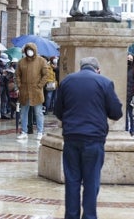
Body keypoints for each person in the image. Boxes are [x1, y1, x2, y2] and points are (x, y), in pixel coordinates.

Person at [54, 57, 122, 219]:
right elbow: (116, 113)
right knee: (91, 181)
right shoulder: (105, 83)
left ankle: (71, 216)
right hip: (94, 139)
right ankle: (90, 216)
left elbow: (57, 111)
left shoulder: (67, 82)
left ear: (81, 67)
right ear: (97, 69)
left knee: (72, 180)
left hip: (71, 137)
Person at [15, 42, 49, 140]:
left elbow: (46, 75)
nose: (29, 52)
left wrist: (39, 86)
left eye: (31, 50)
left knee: (38, 112)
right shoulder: (21, 62)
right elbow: (17, 75)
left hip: (36, 91)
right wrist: (20, 86)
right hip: (24, 91)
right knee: (24, 112)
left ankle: (40, 131)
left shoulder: (41, 61)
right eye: (28, 50)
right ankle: (24, 131)